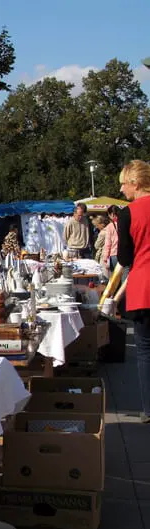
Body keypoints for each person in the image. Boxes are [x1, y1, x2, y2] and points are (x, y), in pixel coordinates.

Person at [116, 159, 150, 423]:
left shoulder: (128, 213)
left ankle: (149, 408)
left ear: (135, 183)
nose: (122, 190)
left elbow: (125, 258)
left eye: (123, 184)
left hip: (144, 287)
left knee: (145, 350)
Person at [103, 205, 120, 271]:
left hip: (114, 254)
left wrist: (105, 257)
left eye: (109, 215)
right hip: (125, 254)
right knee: (125, 279)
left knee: (115, 279)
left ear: (112, 214)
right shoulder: (126, 223)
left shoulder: (110, 226)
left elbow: (108, 244)